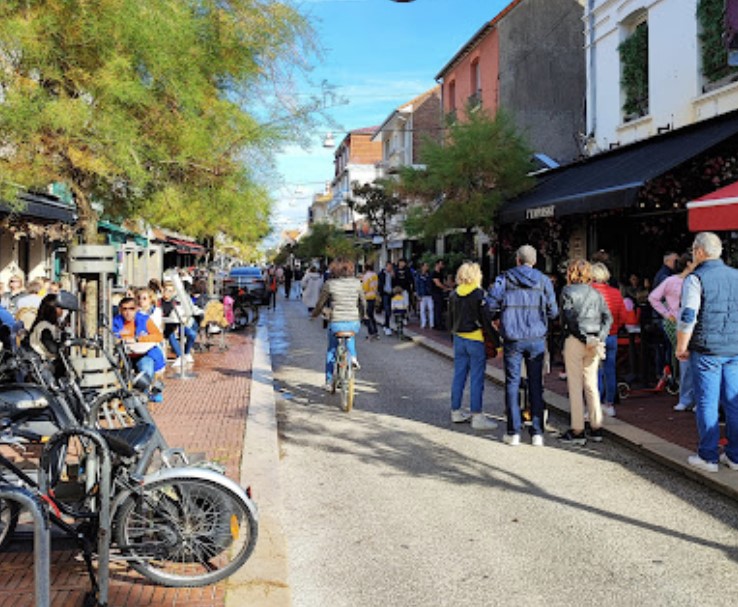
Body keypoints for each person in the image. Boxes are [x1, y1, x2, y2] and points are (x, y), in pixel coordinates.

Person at [676, 232, 738, 473]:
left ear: (700, 252)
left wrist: (682, 345)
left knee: (707, 402)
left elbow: (688, 316)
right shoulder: (736, 275)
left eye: (693, 250)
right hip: (734, 348)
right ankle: (734, 456)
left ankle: (708, 456)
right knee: (734, 402)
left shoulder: (696, 278)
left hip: (707, 348)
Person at [487, 244, 558, 446]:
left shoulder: (505, 278)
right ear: (534, 261)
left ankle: (514, 431)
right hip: (536, 337)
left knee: (512, 382)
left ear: (517, 259)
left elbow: (491, 304)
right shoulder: (544, 281)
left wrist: (498, 318)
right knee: (536, 384)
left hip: (513, 337)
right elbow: (553, 312)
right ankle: (537, 432)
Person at [558, 259, 613, 446]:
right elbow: (608, 317)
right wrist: (599, 337)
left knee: (575, 385)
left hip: (575, 340)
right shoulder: (596, 293)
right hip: (594, 340)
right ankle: (596, 427)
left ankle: (577, 430)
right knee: (591, 384)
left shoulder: (568, 291)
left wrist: (582, 337)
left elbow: (569, 318)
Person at [448, 262, 498, 430]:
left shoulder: (454, 294)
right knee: (477, 378)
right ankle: (477, 415)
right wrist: (497, 344)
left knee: (459, 376)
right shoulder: (479, 294)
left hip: (458, 339)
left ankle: (455, 411)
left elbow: (449, 319)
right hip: (475, 339)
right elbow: (486, 321)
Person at [648, 253, 696, 412]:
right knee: (686, 360)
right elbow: (653, 297)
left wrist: (667, 313)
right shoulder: (673, 280)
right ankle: (688, 398)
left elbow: (653, 298)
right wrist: (667, 313)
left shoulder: (679, 280)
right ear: (689, 264)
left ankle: (687, 398)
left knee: (687, 361)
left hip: (683, 322)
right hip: (683, 322)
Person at [311, 258, 366, 391]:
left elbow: (320, 303)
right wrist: (362, 316)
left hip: (336, 322)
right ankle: (352, 358)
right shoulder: (357, 283)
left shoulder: (330, 284)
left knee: (331, 349)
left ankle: (329, 381)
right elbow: (363, 302)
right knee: (350, 338)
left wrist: (315, 314)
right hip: (353, 322)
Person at [591, 262, 627, 417]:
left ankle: (596, 403)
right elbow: (623, 315)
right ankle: (609, 403)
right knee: (610, 370)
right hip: (612, 334)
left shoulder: (589, 292)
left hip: (594, 335)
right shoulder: (616, 293)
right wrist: (616, 327)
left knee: (595, 371)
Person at [112, 295, 166, 383]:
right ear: (120, 310)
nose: (128, 312)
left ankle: (149, 394)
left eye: (131, 309)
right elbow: (113, 337)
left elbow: (158, 336)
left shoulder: (145, 320)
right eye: (124, 309)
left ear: (136, 309)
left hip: (144, 355)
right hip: (123, 356)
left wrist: (137, 339)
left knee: (146, 371)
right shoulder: (115, 322)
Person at [160, 281, 197, 368]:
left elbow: (181, 314)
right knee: (170, 334)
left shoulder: (175, 302)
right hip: (165, 327)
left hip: (178, 325)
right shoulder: (159, 303)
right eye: (166, 290)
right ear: (162, 291)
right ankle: (180, 356)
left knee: (192, 334)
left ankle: (187, 353)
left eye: (170, 291)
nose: (167, 293)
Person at [361, 262, 379, 340]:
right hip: (373, 295)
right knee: (371, 315)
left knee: (367, 316)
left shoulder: (366, 276)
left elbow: (365, 288)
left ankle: (370, 332)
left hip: (367, 297)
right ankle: (375, 331)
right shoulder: (375, 275)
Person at [430, 259, 449, 331]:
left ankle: (439, 323)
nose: (442, 265)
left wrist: (447, 287)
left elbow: (443, 282)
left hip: (440, 293)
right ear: (437, 264)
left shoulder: (441, 273)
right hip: (436, 293)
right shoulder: (434, 273)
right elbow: (437, 283)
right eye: (441, 264)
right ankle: (438, 324)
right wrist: (445, 288)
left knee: (439, 308)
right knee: (437, 308)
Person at [378, 261, 395, 335]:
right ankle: (387, 326)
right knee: (387, 309)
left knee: (390, 310)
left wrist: (393, 277)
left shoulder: (393, 274)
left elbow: (396, 282)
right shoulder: (381, 274)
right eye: (389, 267)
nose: (390, 268)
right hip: (385, 294)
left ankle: (386, 324)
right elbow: (379, 284)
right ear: (386, 266)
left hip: (391, 293)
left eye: (391, 267)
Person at [416, 262, 434, 329]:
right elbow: (417, 285)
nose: (426, 267)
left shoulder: (429, 275)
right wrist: (418, 294)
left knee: (431, 309)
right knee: (422, 310)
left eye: (427, 266)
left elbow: (431, 284)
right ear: (422, 267)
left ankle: (431, 324)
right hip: (422, 294)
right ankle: (423, 323)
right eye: (425, 266)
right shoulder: (418, 275)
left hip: (429, 294)